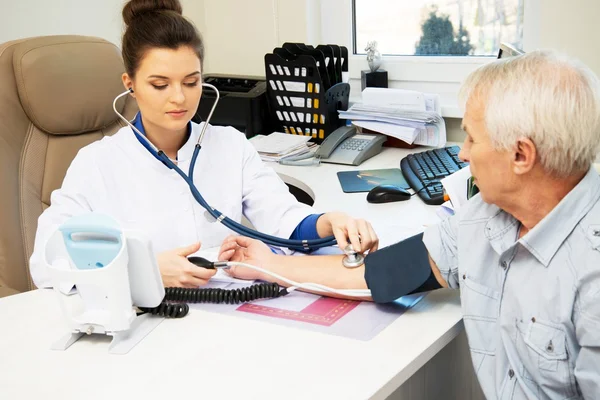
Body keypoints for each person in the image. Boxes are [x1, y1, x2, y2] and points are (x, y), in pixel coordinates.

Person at [218, 50, 600, 399]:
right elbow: (385, 272)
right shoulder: (488, 214)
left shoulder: (591, 274)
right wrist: (268, 265)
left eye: (470, 138)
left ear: (521, 154)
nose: (462, 153)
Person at [29, 0, 379, 290]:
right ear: (130, 83)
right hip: (147, 322)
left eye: (191, 81)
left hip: (229, 313)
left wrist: (331, 222)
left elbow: (284, 221)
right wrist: (142, 269)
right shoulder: (98, 163)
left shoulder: (229, 145)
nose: (178, 98)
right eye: (159, 84)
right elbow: (47, 261)